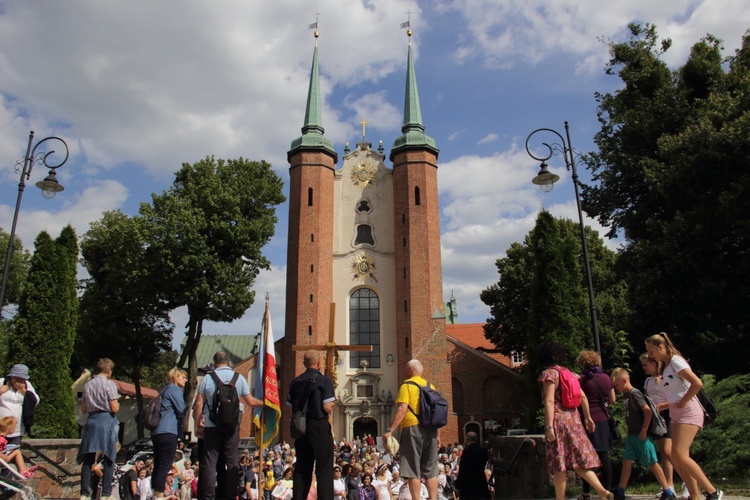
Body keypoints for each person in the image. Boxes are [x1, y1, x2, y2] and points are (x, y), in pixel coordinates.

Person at [645, 333, 723, 500]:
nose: (650, 356)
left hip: (688, 410)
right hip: (676, 413)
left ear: (661, 347)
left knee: (679, 455)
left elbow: (697, 383)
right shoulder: (666, 367)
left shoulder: (675, 361)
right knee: (675, 456)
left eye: (651, 352)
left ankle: (712, 491)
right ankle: (694, 496)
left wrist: (683, 401)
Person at [537, 341, 611, 500]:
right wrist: (588, 417)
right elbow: (583, 397)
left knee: (559, 463)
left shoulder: (549, 374)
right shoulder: (571, 374)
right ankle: (602, 491)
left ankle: (560, 498)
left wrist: (549, 426)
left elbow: (550, 401)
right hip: (574, 419)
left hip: (559, 420)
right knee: (578, 461)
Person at [192, 351, 263, 500]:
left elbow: (198, 403)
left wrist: (198, 424)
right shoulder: (239, 378)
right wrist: (267, 403)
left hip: (211, 426)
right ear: (229, 362)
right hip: (232, 426)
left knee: (210, 462)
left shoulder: (207, 378)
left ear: (214, 363)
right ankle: (231, 495)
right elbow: (249, 401)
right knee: (231, 461)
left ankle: (208, 496)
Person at [609, 367, 676, 500]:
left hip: (641, 434)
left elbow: (647, 411)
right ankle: (621, 490)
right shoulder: (625, 395)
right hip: (632, 434)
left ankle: (668, 491)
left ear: (624, 380)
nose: (616, 388)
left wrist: (644, 431)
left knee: (652, 462)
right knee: (627, 461)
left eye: (617, 385)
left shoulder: (635, 393)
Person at [383, 359, 440, 500]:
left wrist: (390, 430)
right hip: (431, 429)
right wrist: (438, 434)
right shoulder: (430, 386)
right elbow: (436, 412)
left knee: (412, 470)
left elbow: (402, 409)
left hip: (412, 428)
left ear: (410, 370)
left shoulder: (407, 385)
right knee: (431, 471)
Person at [287, 350, 336, 500]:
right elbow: (327, 407)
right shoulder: (324, 380)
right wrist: (333, 402)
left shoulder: (295, 381)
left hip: (301, 427)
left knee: (302, 468)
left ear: (304, 363)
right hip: (318, 425)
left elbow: (290, 404)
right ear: (319, 363)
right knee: (324, 469)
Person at [641, 353, 682, 498]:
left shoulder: (665, 378)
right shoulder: (647, 381)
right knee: (664, 453)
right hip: (655, 417)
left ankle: (688, 480)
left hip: (667, 414)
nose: (644, 367)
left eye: (646, 364)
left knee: (668, 451)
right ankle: (669, 485)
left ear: (654, 364)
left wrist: (660, 406)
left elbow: (674, 397)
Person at [78, 358, 120, 500]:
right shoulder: (110, 385)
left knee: (88, 457)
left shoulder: (87, 385)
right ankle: (106, 493)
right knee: (109, 457)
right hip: (107, 421)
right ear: (108, 371)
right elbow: (115, 408)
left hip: (91, 420)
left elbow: (83, 409)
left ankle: (84, 493)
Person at [577, 350, 616, 499]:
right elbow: (612, 399)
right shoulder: (606, 378)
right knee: (603, 454)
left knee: (584, 457)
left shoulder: (581, 379)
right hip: (603, 419)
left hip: (586, 419)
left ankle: (586, 492)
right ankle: (606, 489)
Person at [151, 368, 187, 499]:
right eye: (183, 377)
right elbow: (182, 409)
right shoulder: (174, 389)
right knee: (164, 466)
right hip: (168, 430)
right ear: (175, 377)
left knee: (158, 464)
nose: (185, 380)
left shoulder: (164, 389)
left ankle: (153, 492)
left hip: (156, 431)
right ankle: (159, 495)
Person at [0, 364, 40, 445]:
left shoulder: (27, 385)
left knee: (13, 452)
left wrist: (24, 392)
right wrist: (1, 391)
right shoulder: (1, 382)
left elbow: (36, 401)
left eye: (21, 379)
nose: (18, 381)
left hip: (16, 430)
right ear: (11, 377)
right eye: (16, 378)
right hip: (1, 428)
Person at [454, 431, 489, 499]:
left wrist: (458, 485)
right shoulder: (483, 451)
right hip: (481, 480)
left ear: (467, 440)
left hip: (469, 483)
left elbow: (463, 469)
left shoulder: (466, 452)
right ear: (476, 439)